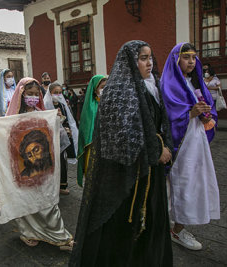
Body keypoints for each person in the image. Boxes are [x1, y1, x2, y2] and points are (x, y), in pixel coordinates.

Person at [70, 41, 173, 266]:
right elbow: (120, 138)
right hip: (127, 176)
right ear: (130, 61)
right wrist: (157, 149)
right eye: (143, 58)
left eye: (150, 57)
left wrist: (163, 146)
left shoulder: (152, 86)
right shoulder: (118, 92)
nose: (149, 63)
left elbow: (161, 123)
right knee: (128, 226)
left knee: (153, 220)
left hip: (151, 170)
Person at [161, 42, 220, 250]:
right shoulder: (167, 85)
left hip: (196, 141)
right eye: (186, 57)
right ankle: (172, 228)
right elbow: (164, 118)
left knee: (194, 182)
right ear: (176, 59)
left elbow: (209, 108)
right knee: (179, 185)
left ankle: (177, 227)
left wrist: (207, 116)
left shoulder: (195, 82)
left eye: (194, 58)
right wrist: (190, 114)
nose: (191, 62)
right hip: (180, 144)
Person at [5, 77, 73, 250]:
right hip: (22, 167)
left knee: (48, 201)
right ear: (21, 94)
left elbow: (50, 134)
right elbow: (4, 136)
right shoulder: (12, 116)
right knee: (26, 202)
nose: (33, 97)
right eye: (30, 94)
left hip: (43, 167)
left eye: (36, 94)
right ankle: (28, 232)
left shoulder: (42, 112)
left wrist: (56, 118)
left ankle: (60, 236)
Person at [43, 83, 79, 194]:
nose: (58, 95)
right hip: (50, 138)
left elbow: (67, 120)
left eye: (60, 92)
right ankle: (51, 186)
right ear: (50, 93)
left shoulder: (62, 106)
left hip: (61, 137)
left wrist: (67, 128)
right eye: (55, 93)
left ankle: (62, 185)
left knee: (62, 161)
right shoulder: (45, 106)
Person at [76, 75, 106, 186]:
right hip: (93, 144)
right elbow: (87, 127)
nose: (104, 90)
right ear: (95, 88)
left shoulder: (109, 103)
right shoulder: (90, 106)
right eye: (102, 87)